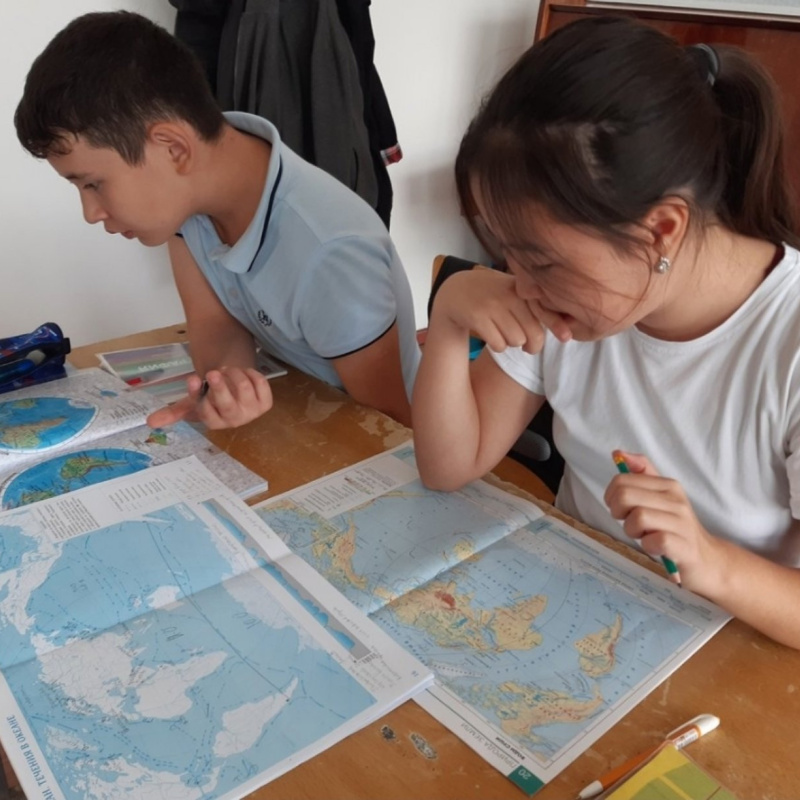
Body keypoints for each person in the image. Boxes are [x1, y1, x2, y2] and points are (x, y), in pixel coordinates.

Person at [412, 16, 800, 648]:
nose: (520, 284)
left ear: (661, 230)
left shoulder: (787, 341)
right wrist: (451, 319)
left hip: (727, 657)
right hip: (570, 615)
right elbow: (447, 466)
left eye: (541, 261)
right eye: (507, 254)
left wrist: (711, 562)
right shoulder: (565, 304)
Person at [15, 11, 420, 430]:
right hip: (296, 411)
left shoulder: (330, 252)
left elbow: (390, 426)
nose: (90, 213)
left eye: (93, 184)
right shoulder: (188, 201)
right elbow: (215, 325)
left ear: (173, 149)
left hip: (372, 435)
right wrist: (227, 390)